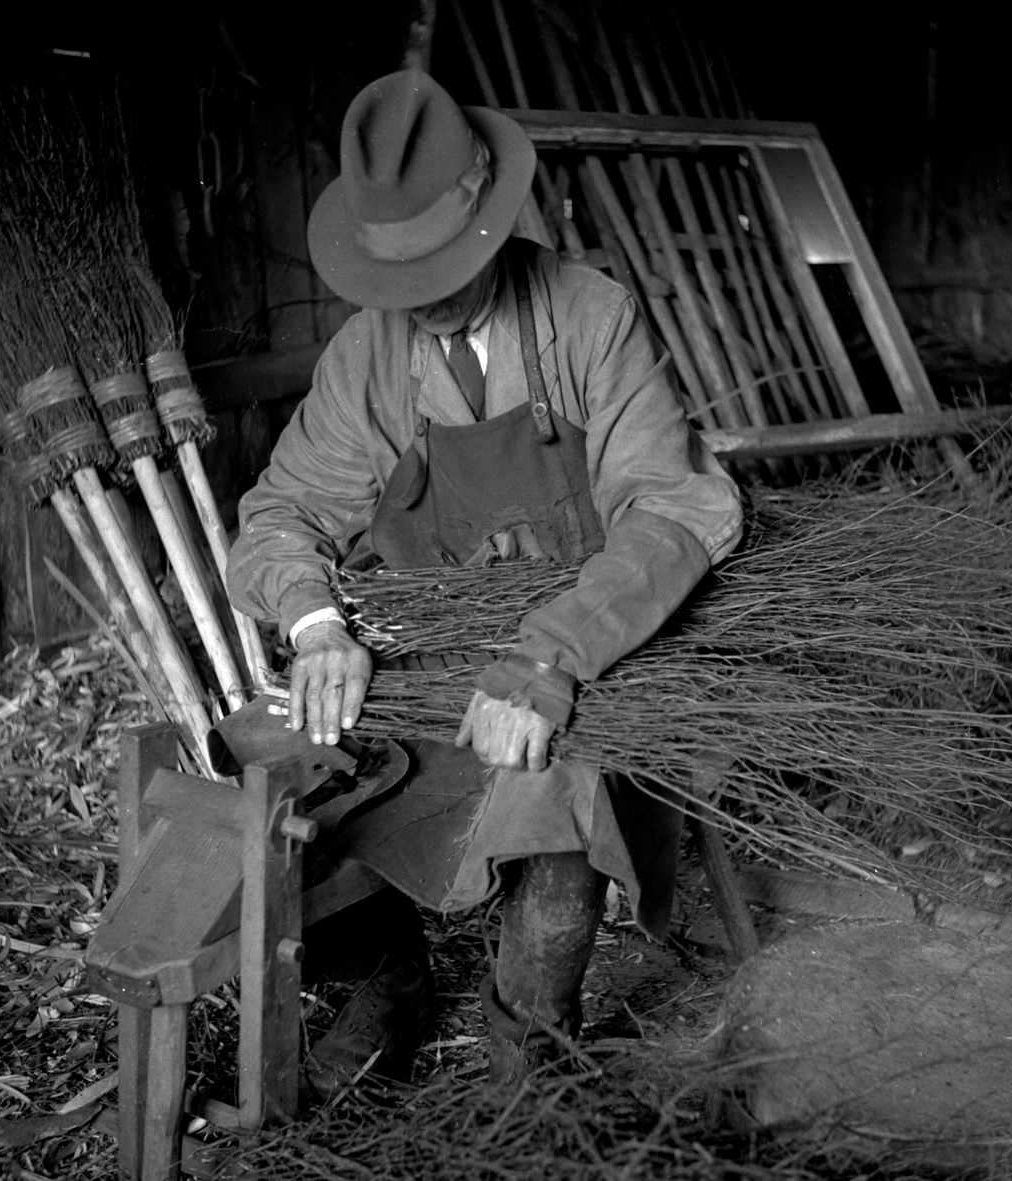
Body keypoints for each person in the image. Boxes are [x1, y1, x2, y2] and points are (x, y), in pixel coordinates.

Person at [226, 69, 743, 1095]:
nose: (419, 301)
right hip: (430, 652)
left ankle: (530, 1043)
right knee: (283, 760)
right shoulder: (365, 358)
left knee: (559, 786)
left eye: (440, 267)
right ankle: (386, 979)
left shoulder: (591, 318)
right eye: (398, 279)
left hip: (586, 649)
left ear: (494, 223)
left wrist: (551, 653)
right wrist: (319, 619)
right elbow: (278, 516)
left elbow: (677, 508)